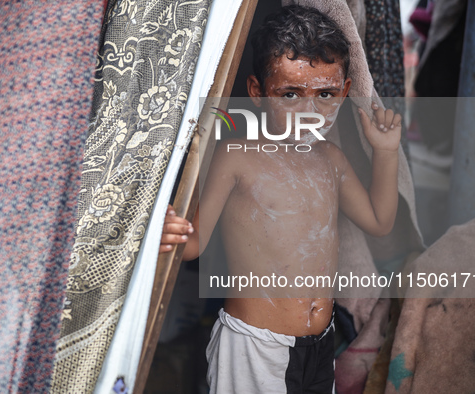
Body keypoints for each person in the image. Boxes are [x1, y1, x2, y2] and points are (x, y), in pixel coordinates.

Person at [159, 5, 401, 393]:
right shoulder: (237, 157)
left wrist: (386, 153)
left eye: (325, 95)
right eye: (290, 94)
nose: (310, 111)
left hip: (320, 344)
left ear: (344, 91)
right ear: (257, 92)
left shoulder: (331, 161)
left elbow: (379, 221)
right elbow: (194, 245)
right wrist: (169, 231)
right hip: (255, 346)